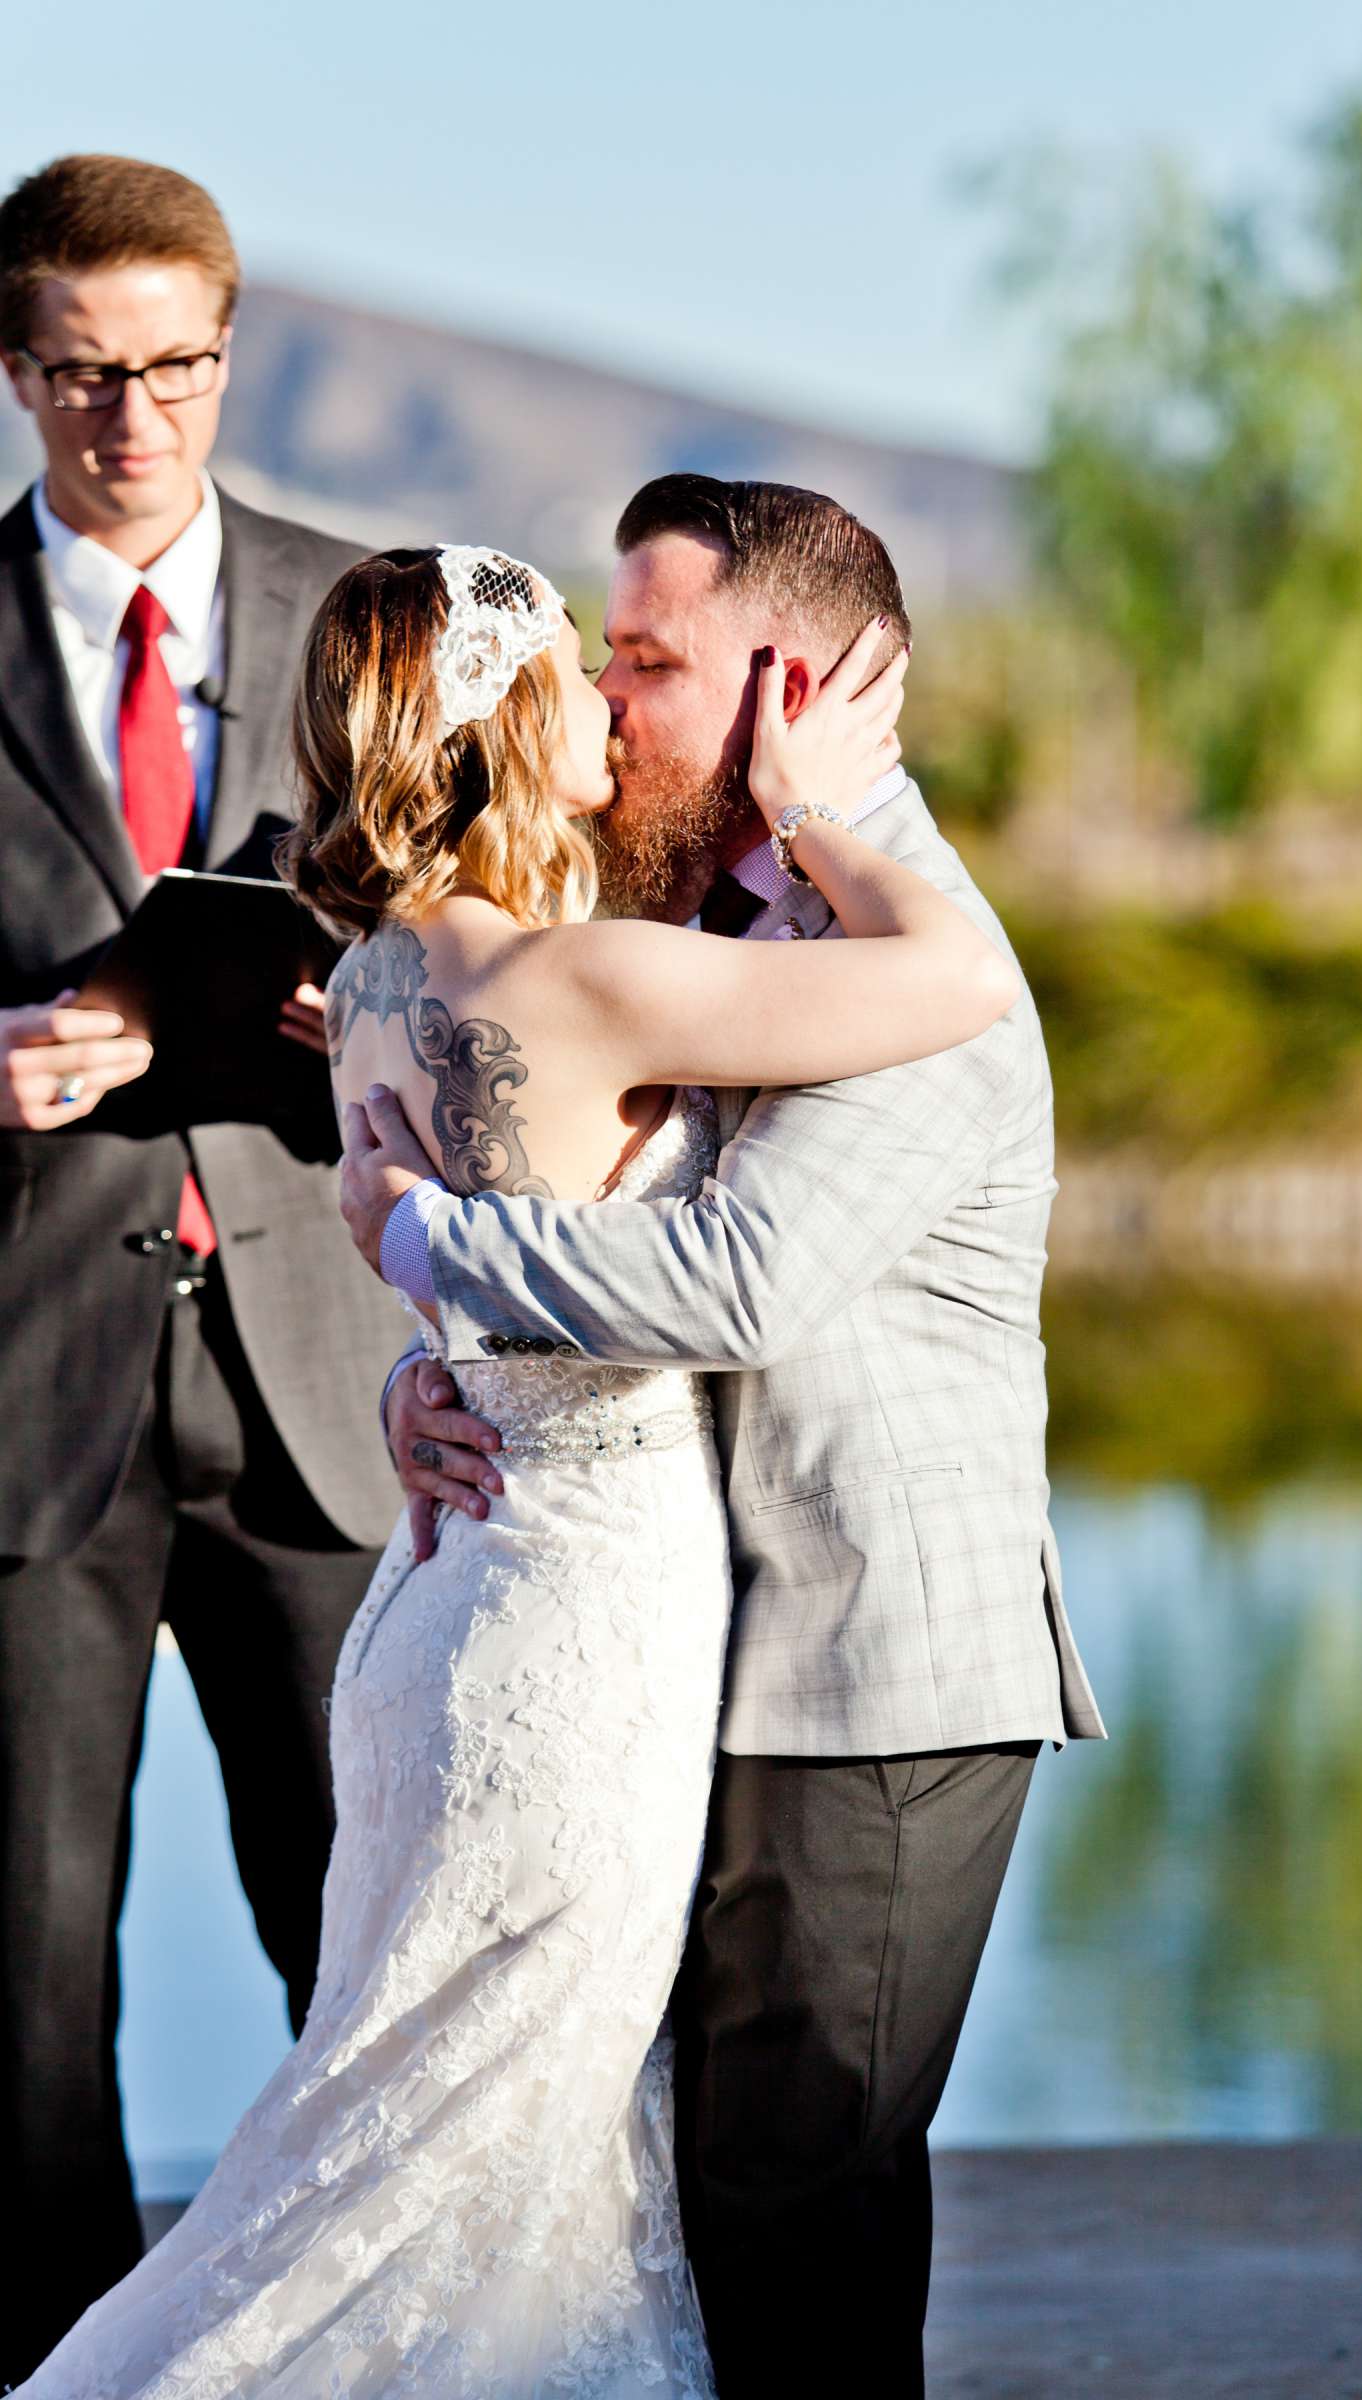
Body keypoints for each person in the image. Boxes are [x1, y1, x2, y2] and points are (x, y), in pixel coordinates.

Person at [14, 537, 1016, 2395]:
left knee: (404, 2117)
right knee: (473, 2138)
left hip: (445, 1596)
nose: (609, 702)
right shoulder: (593, 978)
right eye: (582, 664)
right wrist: (828, 803)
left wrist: (425, 1327)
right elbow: (954, 971)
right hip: (582, 1635)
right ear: (501, 718)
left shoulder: (377, 976)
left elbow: (456, 1240)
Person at [344, 474, 1108, 2399]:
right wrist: (443, 1366)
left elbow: (740, 1276)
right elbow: (587, 1232)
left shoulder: (923, 967)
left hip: (877, 1674)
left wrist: (428, 1235)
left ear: (794, 691)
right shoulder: (696, 919)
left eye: (650, 664)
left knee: (802, 2199)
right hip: (675, 1655)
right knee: (690, 2196)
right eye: (603, 657)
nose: (603, 707)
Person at [0, 153, 404, 2384]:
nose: (126, 418)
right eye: (77, 374)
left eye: (166, 369)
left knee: (361, 1938)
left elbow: (486, 936)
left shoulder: (375, 619)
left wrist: (313, 1013)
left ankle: (360, 2349)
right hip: (22, 1397)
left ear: (226, 355)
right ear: (16, 367)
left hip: (323, 1383)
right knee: (23, 1986)